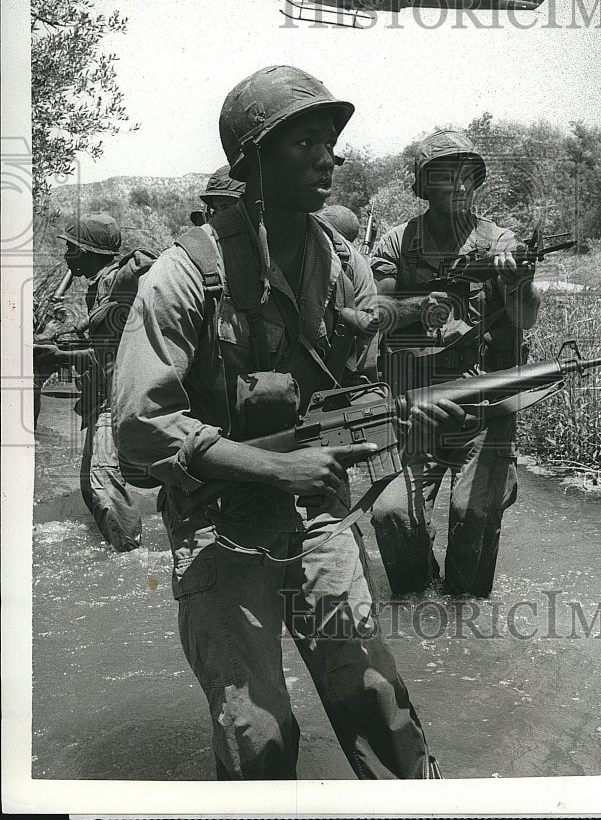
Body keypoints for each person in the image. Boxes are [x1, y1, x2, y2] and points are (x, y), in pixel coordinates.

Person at [112, 65, 459, 780]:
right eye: (303, 140)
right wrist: (272, 466)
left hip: (319, 514)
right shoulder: (182, 276)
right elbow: (140, 427)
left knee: (374, 699)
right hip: (218, 523)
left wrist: (411, 406)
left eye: (330, 141)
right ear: (252, 161)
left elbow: (354, 389)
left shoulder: (341, 263)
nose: (327, 156)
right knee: (258, 730)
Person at [370, 129, 541, 598]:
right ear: (425, 186)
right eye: (446, 178)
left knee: (473, 514)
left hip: (483, 395)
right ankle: (415, 603)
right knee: (392, 514)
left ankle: (467, 618)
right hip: (411, 400)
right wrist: (426, 303)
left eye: (468, 177)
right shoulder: (396, 243)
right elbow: (377, 315)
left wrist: (519, 281)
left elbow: (524, 317)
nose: (460, 187)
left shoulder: (499, 240)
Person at [34, 213, 142, 551]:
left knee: (104, 483)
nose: (66, 255)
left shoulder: (115, 285)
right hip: (102, 398)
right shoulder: (100, 287)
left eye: (71, 248)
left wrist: (59, 357)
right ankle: (116, 549)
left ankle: (130, 560)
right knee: (89, 484)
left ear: (88, 252)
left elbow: (111, 359)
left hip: (116, 398)